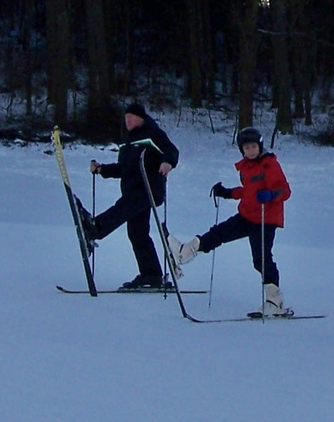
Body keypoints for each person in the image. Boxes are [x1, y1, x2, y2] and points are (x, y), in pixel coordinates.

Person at [170, 127, 293, 316]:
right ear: (241, 149)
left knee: (261, 258)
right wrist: (227, 192)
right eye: (247, 147)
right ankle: (186, 251)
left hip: (265, 218)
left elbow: (284, 190)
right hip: (247, 215)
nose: (250, 150)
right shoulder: (245, 167)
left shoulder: (270, 164)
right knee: (219, 232)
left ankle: (275, 301)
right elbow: (248, 191)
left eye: (254, 146)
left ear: (260, 146)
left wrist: (270, 194)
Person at [78, 100, 180, 290]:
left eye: (131, 118)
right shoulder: (127, 142)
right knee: (137, 233)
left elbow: (171, 151)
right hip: (133, 189)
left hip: (149, 188)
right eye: (126, 118)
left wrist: (167, 163)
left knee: (123, 208)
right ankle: (152, 275)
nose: (128, 121)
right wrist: (102, 170)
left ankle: (96, 228)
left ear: (141, 118)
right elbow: (124, 168)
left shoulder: (152, 134)